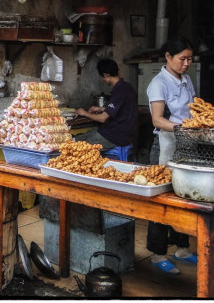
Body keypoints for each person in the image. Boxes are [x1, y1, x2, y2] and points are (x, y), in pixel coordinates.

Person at [146, 36, 197, 275]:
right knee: (161, 200)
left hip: (185, 143)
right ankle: (157, 254)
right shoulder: (159, 83)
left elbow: (193, 108)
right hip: (165, 144)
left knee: (183, 195)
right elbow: (157, 120)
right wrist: (181, 128)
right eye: (182, 59)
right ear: (168, 57)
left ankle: (182, 249)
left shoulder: (186, 80)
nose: (186, 64)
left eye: (190, 59)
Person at [74, 59, 138, 152]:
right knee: (83, 136)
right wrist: (101, 108)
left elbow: (102, 118)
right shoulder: (126, 87)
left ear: (106, 75)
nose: (103, 80)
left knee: (78, 146)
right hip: (123, 132)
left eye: (103, 78)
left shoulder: (119, 91)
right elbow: (121, 108)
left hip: (118, 136)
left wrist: (85, 113)